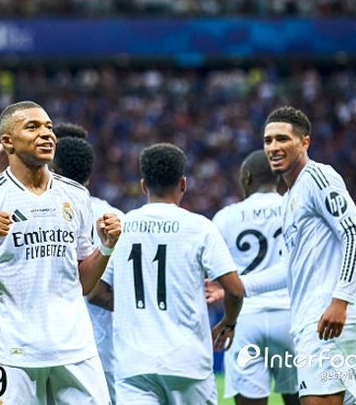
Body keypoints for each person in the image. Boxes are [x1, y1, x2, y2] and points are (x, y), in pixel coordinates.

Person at [0, 101, 121, 404]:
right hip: (14, 355)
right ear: (8, 141)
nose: (46, 134)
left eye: (49, 127)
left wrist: (106, 246)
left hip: (76, 351)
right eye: (33, 127)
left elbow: (83, 284)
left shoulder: (76, 195)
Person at [241, 106, 356, 405]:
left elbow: (355, 234)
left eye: (282, 139)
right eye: (268, 140)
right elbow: (289, 268)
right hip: (312, 322)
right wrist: (237, 286)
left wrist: (340, 300)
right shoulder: (289, 198)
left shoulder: (318, 177)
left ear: (305, 142)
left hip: (327, 320)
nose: (273, 147)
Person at [95, 143, 244, 404]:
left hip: (134, 365)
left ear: (143, 186)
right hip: (188, 362)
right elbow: (234, 290)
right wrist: (229, 323)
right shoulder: (200, 227)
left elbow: (96, 292)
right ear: (183, 184)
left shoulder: (123, 226)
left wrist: (136, 307)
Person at [211, 149, 299, 405]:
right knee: (298, 397)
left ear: (247, 177)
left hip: (245, 318)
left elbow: (214, 271)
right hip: (291, 316)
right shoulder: (294, 207)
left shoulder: (226, 216)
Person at [52, 136, 124, 403]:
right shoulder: (115, 217)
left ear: (53, 170)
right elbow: (105, 292)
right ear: (91, 173)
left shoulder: (42, 213)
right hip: (104, 347)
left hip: (54, 345)